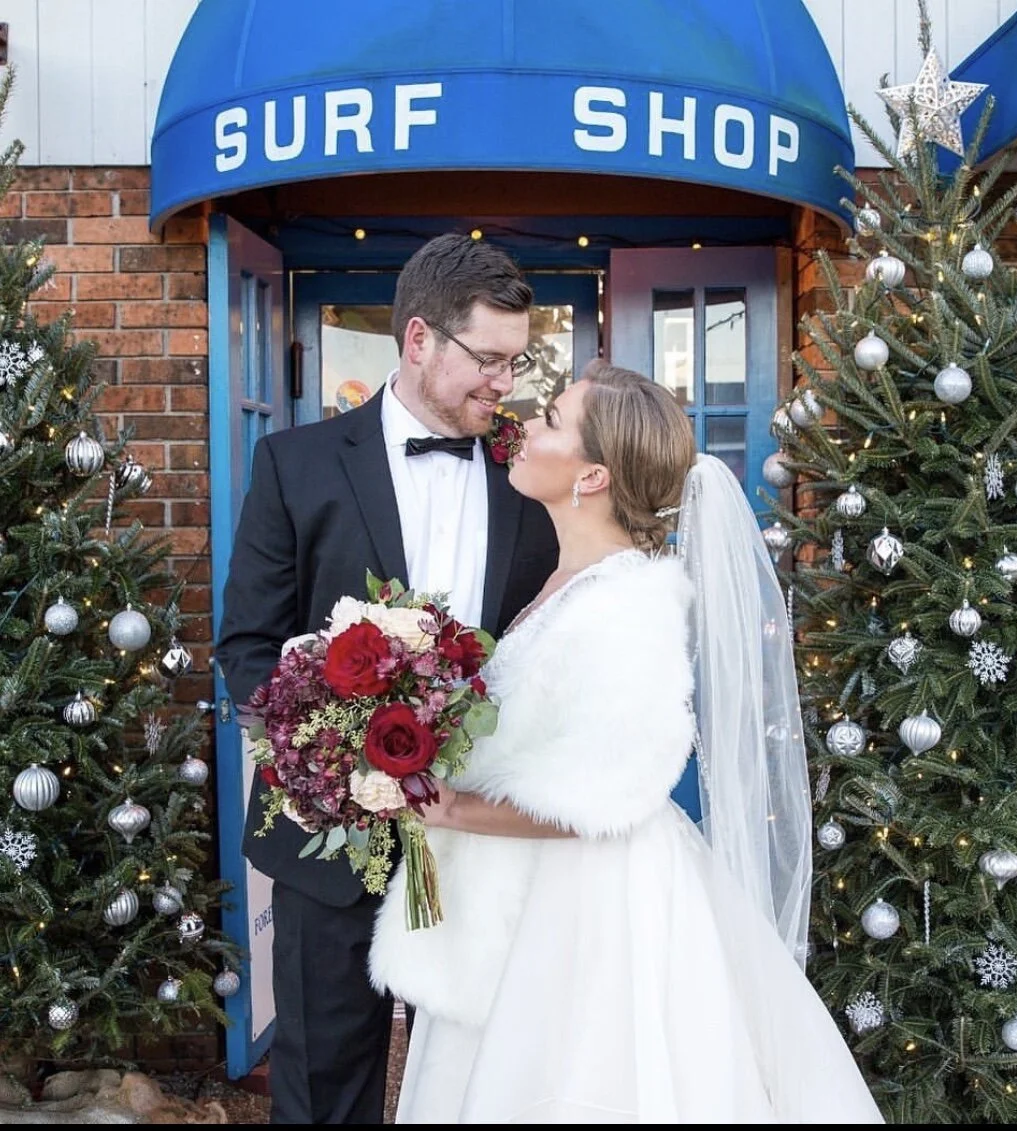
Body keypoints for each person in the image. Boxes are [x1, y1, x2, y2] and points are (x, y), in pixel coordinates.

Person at [369, 363, 885, 1124]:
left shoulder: (628, 607)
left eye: (550, 417)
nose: (525, 425)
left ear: (592, 475)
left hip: (586, 917)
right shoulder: (566, 582)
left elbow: (604, 794)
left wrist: (444, 806)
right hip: (514, 901)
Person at [216, 234, 559, 1124]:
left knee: (480, 1084)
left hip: (484, 843)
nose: (503, 382)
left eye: (514, 361)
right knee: (324, 1082)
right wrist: (326, 764)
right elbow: (247, 647)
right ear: (417, 340)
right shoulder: (295, 463)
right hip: (328, 845)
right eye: (487, 358)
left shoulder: (532, 476)